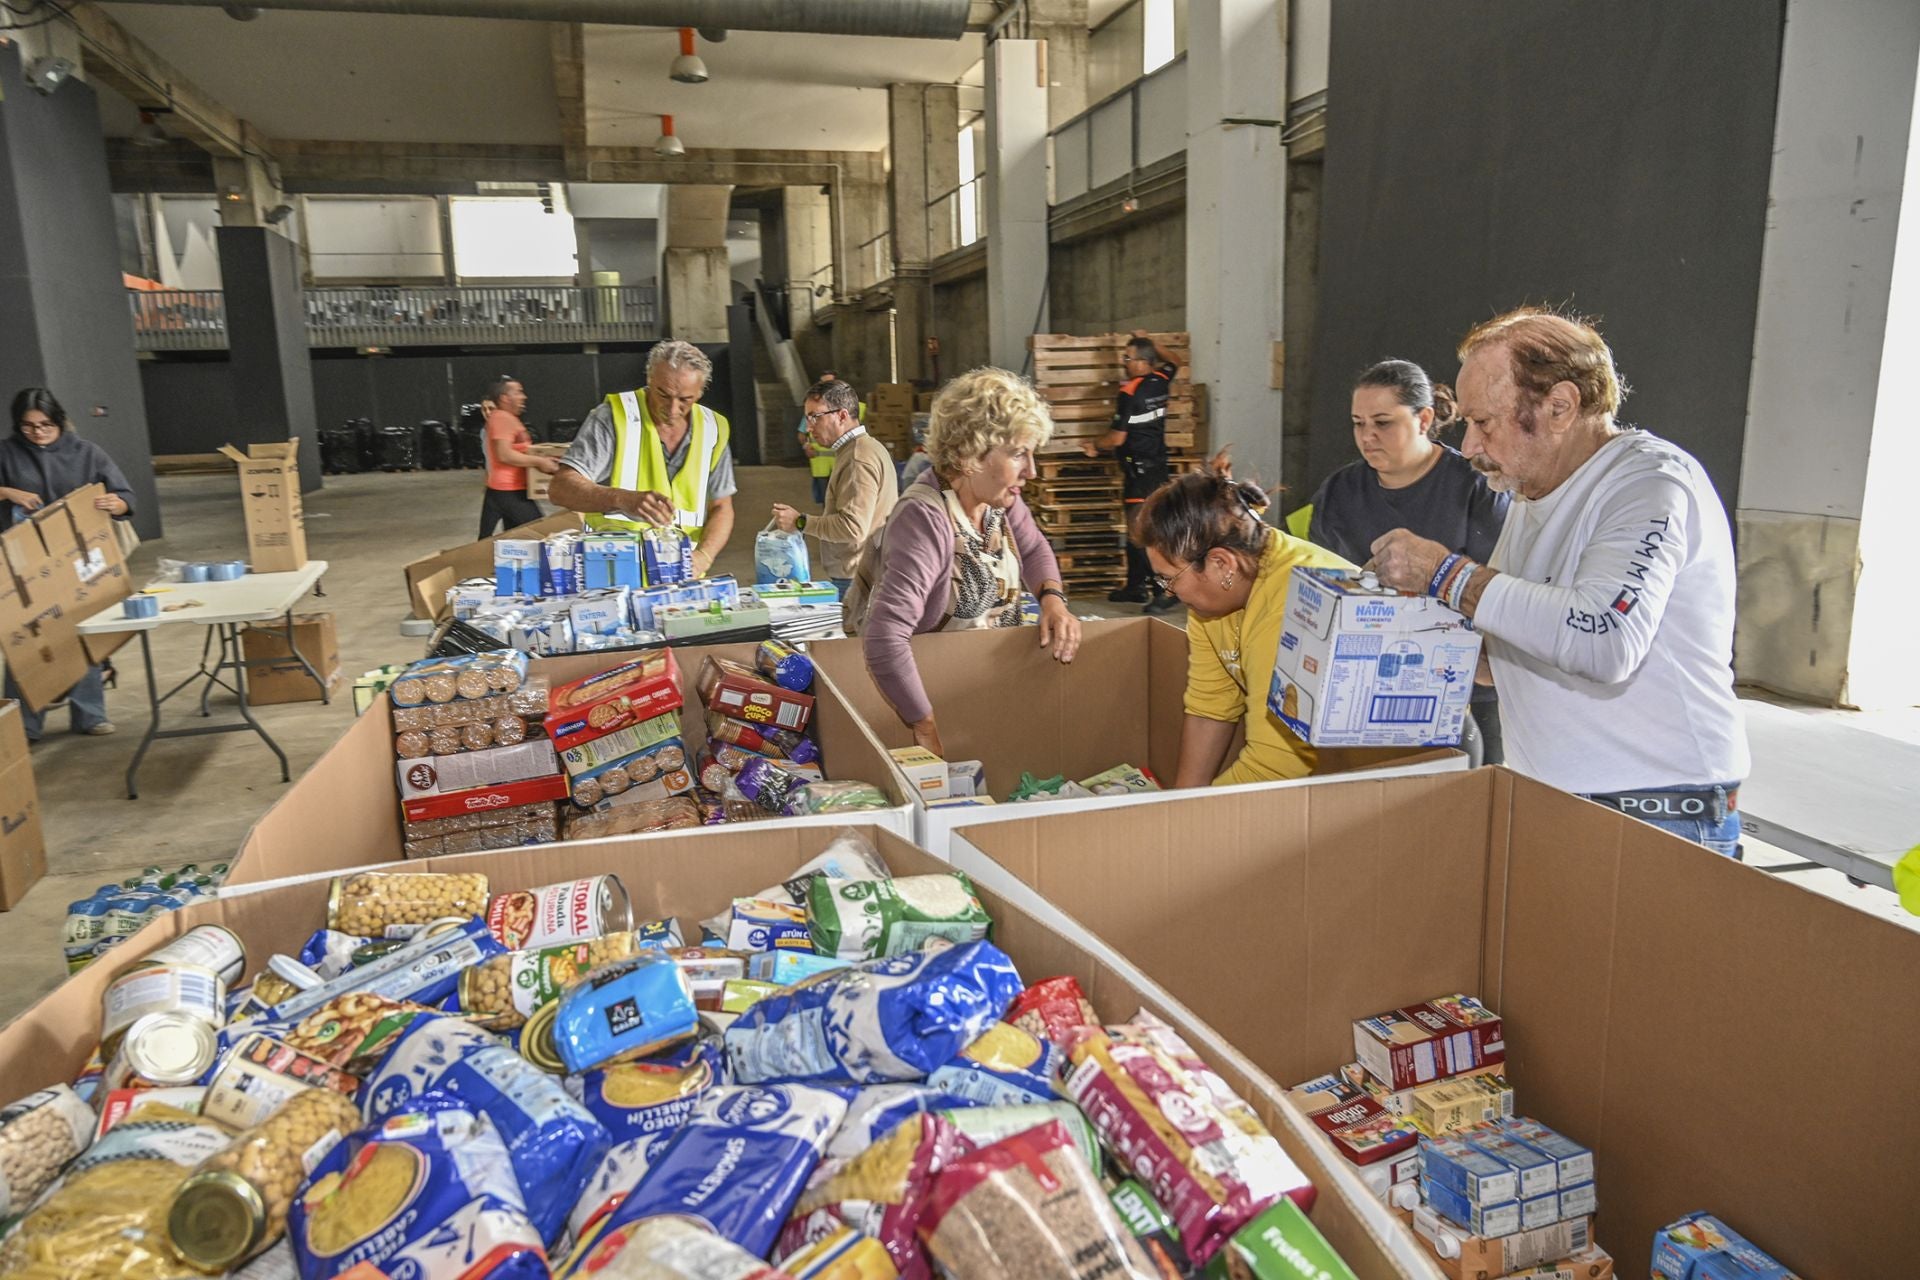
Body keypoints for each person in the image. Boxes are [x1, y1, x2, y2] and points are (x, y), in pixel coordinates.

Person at [1367, 307, 1749, 855]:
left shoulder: (1649, 485)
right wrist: (1398, 636)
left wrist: (1446, 574)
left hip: (1654, 813)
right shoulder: (1531, 487)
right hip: (1562, 800)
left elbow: (1601, 638)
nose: (1470, 447)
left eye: (1484, 423)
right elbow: (1522, 650)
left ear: (1561, 406)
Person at [853, 367, 1083, 758]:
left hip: (985, 683)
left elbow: (1033, 550)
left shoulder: (1000, 499)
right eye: (1017, 454)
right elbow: (885, 637)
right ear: (970, 455)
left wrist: (1053, 600)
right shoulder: (924, 520)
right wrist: (924, 726)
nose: (1032, 471)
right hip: (933, 693)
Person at [1309, 359, 1510, 763]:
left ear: (1424, 419)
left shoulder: (1476, 487)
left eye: (1382, 423)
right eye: (1357, 423)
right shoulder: (1338, 492)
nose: (1367, 437)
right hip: (1368, 686)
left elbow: (1501, 595)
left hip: (1469, 691)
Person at [1135, 461, 1353, 786]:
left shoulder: (1294, 610)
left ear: (1222, 564)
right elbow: (1210, 705)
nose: (1168, 591)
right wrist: (1178, 807)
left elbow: (1275, 765)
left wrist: (1186, 822)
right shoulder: (1214, 600)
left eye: (1169, 579)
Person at [0, 388, 134, 740]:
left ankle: (89, 715)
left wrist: (113, 503)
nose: (37, 432)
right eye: (28, 427)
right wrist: (7, 492)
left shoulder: (86, 452)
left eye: (45, 424)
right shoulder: (6, 453)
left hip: (77, 559)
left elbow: (125, 496)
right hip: (22, 565)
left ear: (58, 420)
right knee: (25, 638)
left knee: (80, 632)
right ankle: (24, 725)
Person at [549, 340, 737, 574]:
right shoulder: (614, 417)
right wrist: (621, 499)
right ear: (649, 380)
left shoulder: (713, 429)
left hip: (680, 578)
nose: (672, 409)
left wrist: (704, 557)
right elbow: (560, 488)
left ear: (699, 393)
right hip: (614, 574)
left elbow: (721, 507)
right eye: (663, 394)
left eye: (685, 400)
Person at [1081, 330, 1182, 612]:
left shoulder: (1130, 392)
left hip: (1140, 473)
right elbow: (1174, 359)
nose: (1124, 361)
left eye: (1128, 357)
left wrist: (1094, 446)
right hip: (1156, 468)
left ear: (1141, 361)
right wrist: (1149, 340)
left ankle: (1166, 589)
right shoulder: (1161, 380)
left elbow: (1116, 438)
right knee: (1137, 528)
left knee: (1141, 534)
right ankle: (1135, 587)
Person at [770, 377, 898, 598]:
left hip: (857, 578)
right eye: (807, 418)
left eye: (815, 418)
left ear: (842, 415)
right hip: (866, 572)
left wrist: (800, 522)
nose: (809, 428)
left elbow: (853, 528)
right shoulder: (862, 448)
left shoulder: (858, 458)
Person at [477, 374, 559, 539]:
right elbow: (504, 454)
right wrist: (540, 461)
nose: (524, 396)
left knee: (515, 540)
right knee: (543, 536)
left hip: (505, 490)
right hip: (508, 491)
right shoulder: (502, 418)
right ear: (505, 398)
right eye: (519, 392)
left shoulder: (506, 418)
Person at [798, 371, 864, 504]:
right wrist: (806, 445)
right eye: (823, 383)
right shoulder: (814, 409)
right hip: (821, 465)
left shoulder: (857, 409)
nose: (810, 427)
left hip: (842, 463)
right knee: (827, 503)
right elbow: (801, 433)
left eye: (830, 383)